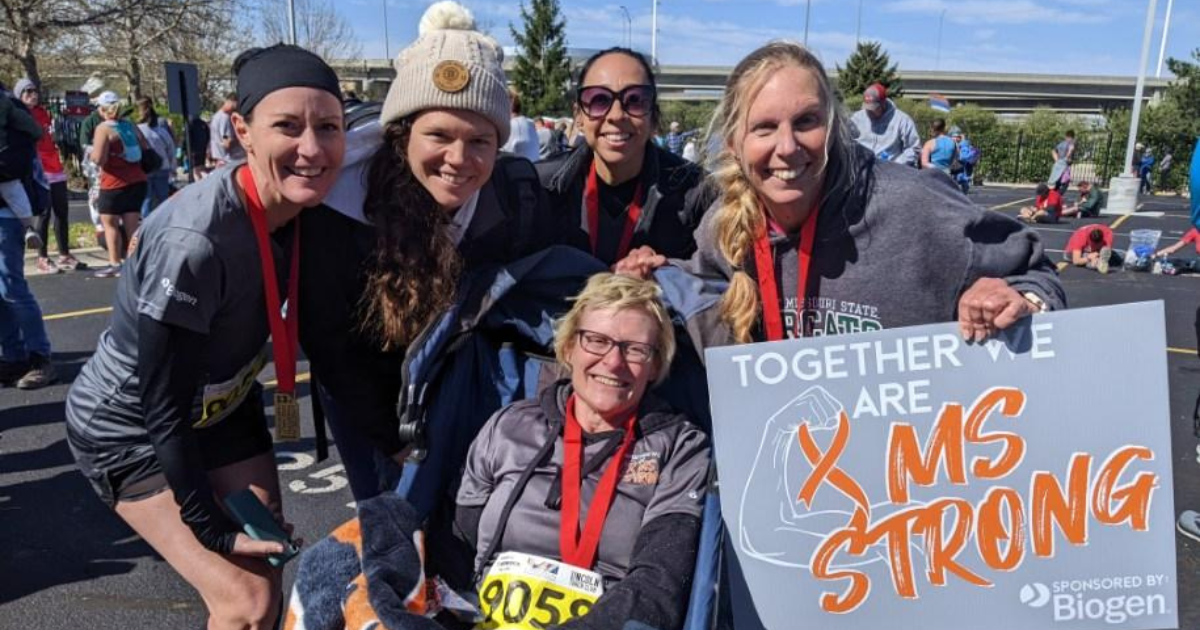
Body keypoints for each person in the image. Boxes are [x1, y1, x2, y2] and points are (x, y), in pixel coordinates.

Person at [64, 44, 345, 629]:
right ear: (241, 130)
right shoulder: (196, 241)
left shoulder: (306, 199)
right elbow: (161, 403)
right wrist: (206, 520)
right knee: (244, 603)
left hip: (224, 403)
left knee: (266, 578)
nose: (312, 149)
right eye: (287, 127)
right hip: (134, 428)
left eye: (328, 127)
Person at [618, 41, 1064, 347]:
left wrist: (1017, 297)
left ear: (832, 128)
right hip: (794, 468)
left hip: (906, 467)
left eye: (806, 121)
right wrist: (654, 277)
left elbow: (1037, 273)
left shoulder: (913, 204)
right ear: (734, 143)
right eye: (765, 127)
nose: (788, 147)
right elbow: (704, 296)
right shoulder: (724, 226)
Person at [300, 1, 560, 502]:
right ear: (402, 134)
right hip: (372, 405)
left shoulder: (515, 191)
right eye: (438, 135)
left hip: (471, 397)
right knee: (396, 538)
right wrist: (393, 443)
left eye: (481, 140)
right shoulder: (340, 208)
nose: (459, 160)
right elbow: (332, 347)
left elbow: (550, 284)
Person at [453, 272, 709, 629]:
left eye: (635, 349)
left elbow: (658, 583)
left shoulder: (679, 447)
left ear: (654, 365)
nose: (613, 362)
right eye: (597, 341)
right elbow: (458, 547)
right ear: (569, 347)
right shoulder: (509, 425)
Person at [537, 47, 716, 266]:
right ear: (579, 117)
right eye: (599, 99)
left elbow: (720, 283)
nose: (616, 115)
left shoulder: (698, 194)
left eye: (635, 100)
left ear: (654, 117)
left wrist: (669, 276)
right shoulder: (540, 189)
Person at [14, 78, 84, 273]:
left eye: (34, 91)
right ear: (19, 95)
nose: (32, 94)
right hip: (37, 168)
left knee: (62, 211)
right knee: (43, 213)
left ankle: (64, 254)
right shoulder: (18, 114)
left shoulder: (43, 113)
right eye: (27, 92)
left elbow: (49, 137)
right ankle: (42, 258)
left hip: (54, 166)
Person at [89, 90, 149, 277]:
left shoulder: (103, 128)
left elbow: (98, 159)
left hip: (114, 182)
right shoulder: (129, 125)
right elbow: (145, 146)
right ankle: (135, 263)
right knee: (132, 223)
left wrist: (91, 153)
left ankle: (115, 264)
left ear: (102, 109)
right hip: (137, 180)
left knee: (110, 223)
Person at [849, 82, 920, 167]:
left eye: (874, 109)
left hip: (890, 171)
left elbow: (914, 148)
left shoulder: (902, 120)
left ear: (883, 104)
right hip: (862, 168)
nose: (869, 112)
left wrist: (896, 164)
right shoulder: (856, 118)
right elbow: (847, 142)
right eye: (867, 108)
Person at [136, 96, 177, 217]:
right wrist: (173, 168)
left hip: (144, 170)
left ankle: (147, 228)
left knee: (146, 201)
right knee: (163, 200)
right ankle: (165, 225)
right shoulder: (161, 131)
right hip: (163, 168)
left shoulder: (136, 131)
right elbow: (171, 150)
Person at [500, 88, 539, 162]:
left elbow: (498, 156)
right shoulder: (528, 123)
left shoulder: (513, 126)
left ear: (510, 103)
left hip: (518, 171)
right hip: (531, 170)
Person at [208, 92, 244, 167]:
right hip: (230, 160)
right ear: (232, 101)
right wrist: (239, 140)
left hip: (221, 158)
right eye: (236, 106)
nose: (236, 108)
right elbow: (227, 142)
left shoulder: (217, 116)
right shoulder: (225, 118)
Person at [950, 126, 979, 194]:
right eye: (953, 136)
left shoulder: (964, 146)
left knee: (962, 183)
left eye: (957, 136)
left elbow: (963, 157)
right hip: (952, 170)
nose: (955, 138)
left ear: (960, 137)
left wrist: (963, 144)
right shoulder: (949, 145)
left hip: (961, 171)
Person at [1048, 130, 1075, 195]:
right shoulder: (1071, 145)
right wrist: (1067, 159)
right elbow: (1069, 154)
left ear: (1066, 136)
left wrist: (1056, 160)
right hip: (1064, 165)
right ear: (1072, 137)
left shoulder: (1061, 144)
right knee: (1065, 181)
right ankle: (1057, 197)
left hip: (1058, 164)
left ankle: (1052, 197)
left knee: (1055, 180)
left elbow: (1053, 151)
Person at [187, 114, 211, 179]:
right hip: (202, 150)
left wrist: (186, 150)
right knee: (201, 168)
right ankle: (207, 180)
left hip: (194, 151)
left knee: (196, 171)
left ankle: (201, 184)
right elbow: (208, 137)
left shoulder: (190, 124)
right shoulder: (203, 124)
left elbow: (187, 138)